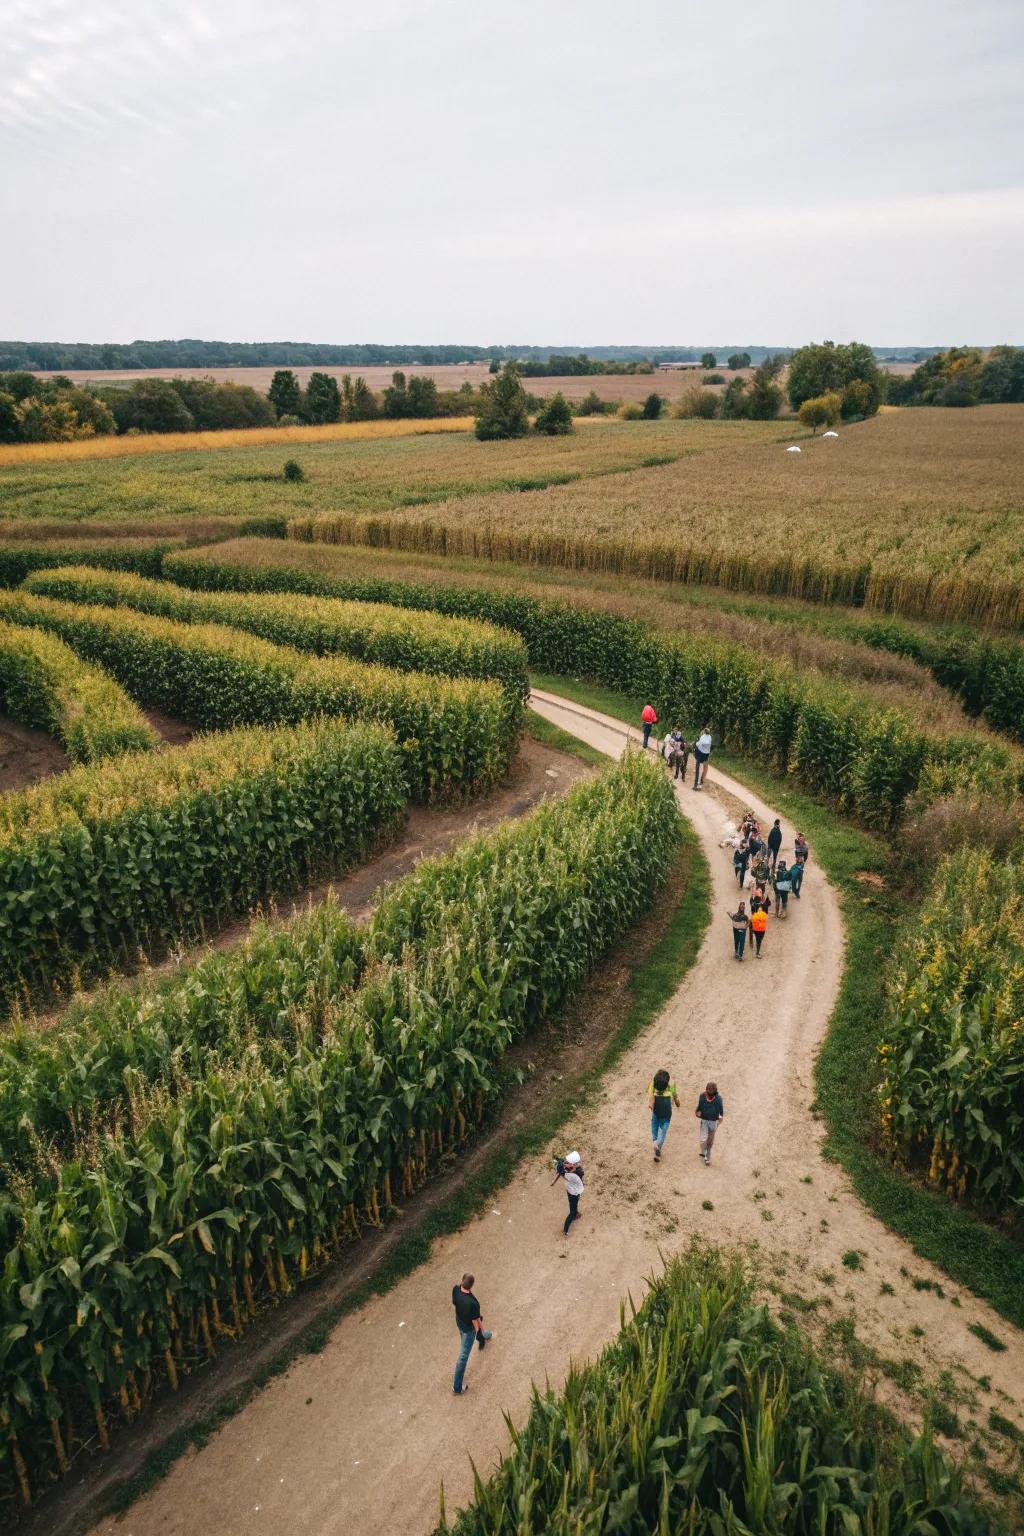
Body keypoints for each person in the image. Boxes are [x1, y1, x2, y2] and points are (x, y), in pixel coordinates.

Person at [452, 1272, 492, 1394]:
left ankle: (486, 1335)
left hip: (459, 1322)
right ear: (472, 1286)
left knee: (463, 1340)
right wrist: (480, 1332)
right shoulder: (473, 1303)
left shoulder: (455, 1290)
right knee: (463, 1357)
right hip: (469, 1330)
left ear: (462, 1280)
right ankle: (457, 1387)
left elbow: (455, 1303)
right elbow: (476, 1321)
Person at [648, 1069, 680, 1160]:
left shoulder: (653, 1084)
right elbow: (676, 1098)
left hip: (656, 1111)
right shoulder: (671, 1085)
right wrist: (677, 1104)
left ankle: (655, 1143)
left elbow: (650, 1104)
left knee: (654, 1126)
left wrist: (654, 1108)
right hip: (667, 1114)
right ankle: (657, 1148)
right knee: (663, 1132)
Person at [553, 1150, 584, 1235]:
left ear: (574, 1165)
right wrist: (560, 1163)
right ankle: (566, 1230)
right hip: (571, 1191)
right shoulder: (572, 1167)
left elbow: (568, 1176)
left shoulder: (579, 1173)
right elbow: (565, 1166)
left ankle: (575, 1215)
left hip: (574, 1191)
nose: (565, 1163)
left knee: (573, 1206)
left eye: (568, 1162)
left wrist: (562, 1171)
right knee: (572, 1209)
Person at [695, 1081, 725, 1165]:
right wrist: (697, 1112)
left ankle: (707, 1157)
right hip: (704, 1121)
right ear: (706, 1091)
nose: (709, 1096)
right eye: (708, 1093)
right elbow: (699, 1108)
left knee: (710, 1141)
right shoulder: (701, 1096)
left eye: (712, 1094)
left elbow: (721, 1112)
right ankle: (703, 1151)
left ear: (715, 1093)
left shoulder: (719, 1099)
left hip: (713, 1122)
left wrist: (720, 1119)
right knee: (703, 1140)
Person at [792, 834, 809, 899]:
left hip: (801, 864)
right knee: (795, 876)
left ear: (804, 841)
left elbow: (806, 856)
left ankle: (797, 892)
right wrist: (797, 857)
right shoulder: (797, 844)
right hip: (797, 862)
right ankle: (795, 889)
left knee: (800, 878)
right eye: (800, 840)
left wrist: (803, 861)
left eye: (802, 840)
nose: (801, 841)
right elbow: (796, 841)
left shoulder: (805, 847)